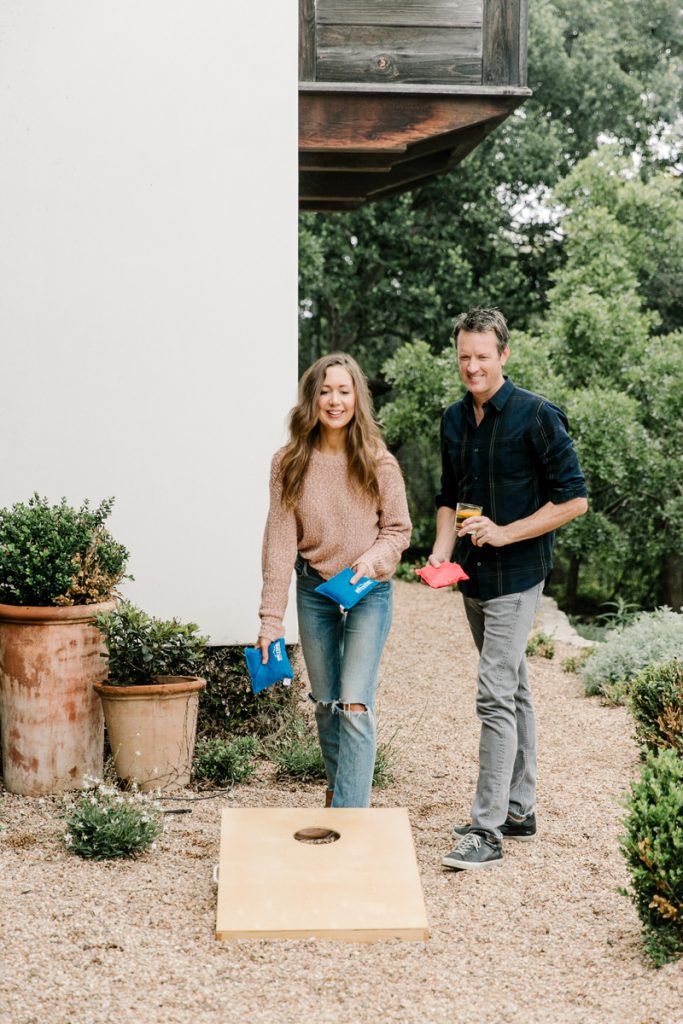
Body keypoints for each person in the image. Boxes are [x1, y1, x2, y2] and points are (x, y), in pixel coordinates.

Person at [430, 308, 588, 870]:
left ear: (504, 355)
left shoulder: (538, 416)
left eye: (482, 356)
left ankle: (487, 829)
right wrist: (440, 554)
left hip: (519, 578)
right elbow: (448, 498)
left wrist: (504, 532)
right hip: (470, 576)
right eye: (464, 357)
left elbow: (574, 499)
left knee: (493, 692)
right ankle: (519, 809)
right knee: (515, 688)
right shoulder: (452, 419)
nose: (472, 366)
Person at [257, 352, 411, 808]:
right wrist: (270, 620)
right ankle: (339, 790)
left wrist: (371, 562)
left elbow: (398, 530)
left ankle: (351, 817)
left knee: (355, 704)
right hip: (315, 589)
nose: (334, 400)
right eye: (325, 391)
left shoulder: (378, 462)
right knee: (326, 703)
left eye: (343, 391)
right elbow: (280, 543)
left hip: (367, 591)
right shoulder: (288, 462)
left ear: (356, 398)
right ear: (311, 399)